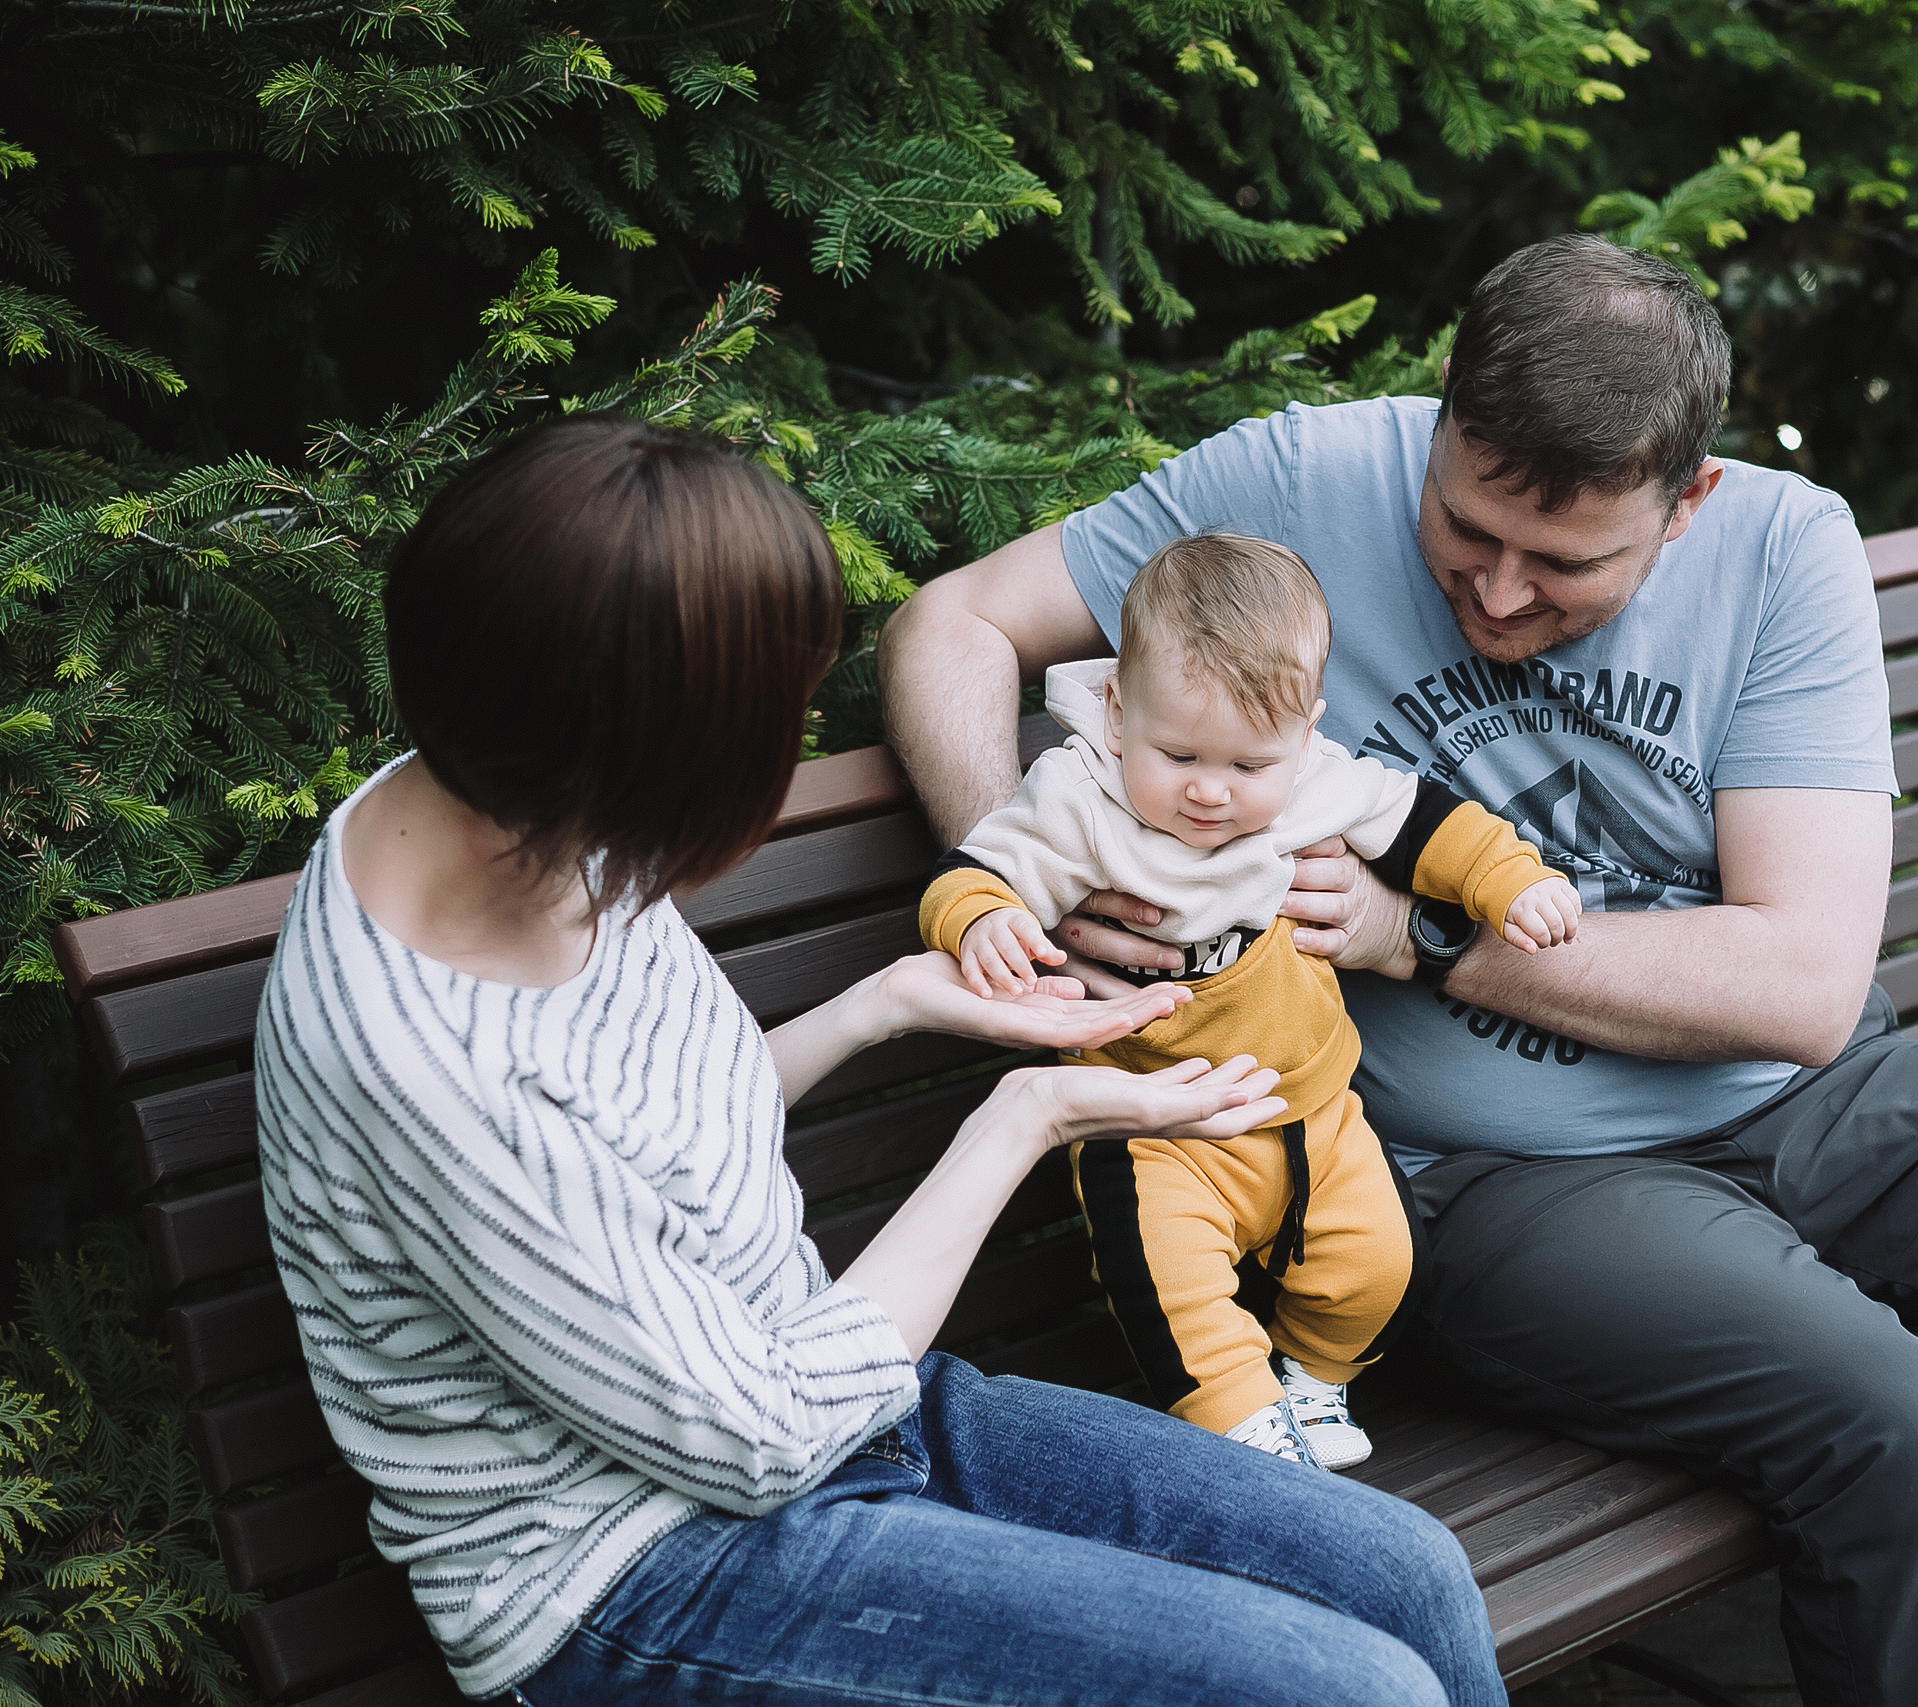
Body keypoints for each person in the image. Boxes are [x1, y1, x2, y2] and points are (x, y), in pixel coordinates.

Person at [878, 235, 1918, 1707]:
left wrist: (1423, 935)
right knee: (1898, 1422)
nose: (1504, 594)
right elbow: (956, 618)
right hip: (1491, 1175)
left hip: (1808, 1095)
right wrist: (1033, 880)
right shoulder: (1297, 479)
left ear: (1688, 501)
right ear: (1442, 424)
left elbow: (1797, 985)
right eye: (1467, 533)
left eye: (1566, 560)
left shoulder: (1784, 545)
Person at [252, 414, 1511, 1707]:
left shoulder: (518, 794)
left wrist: (883, 1002)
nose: (782, 757)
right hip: (642, 1575)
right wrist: (1020, 1117)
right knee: (1353, 1689)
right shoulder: (426, 1067)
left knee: (1409, 1574)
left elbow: (643, 1139)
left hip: (837, 1397)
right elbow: (755, 1438)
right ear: (647, 747)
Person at [922, 532, 1578, 1468]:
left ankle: (1314, 1378)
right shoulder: (1078, 799)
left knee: (1378, 1261)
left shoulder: (1312, 778)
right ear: (1116, 712)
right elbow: (978, 870)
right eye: (1178, 752)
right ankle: (1241, 1423)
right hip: (1152, 1124)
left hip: (1307, 1108)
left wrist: (1511, 880)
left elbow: (1427, 826)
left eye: (1245, 767)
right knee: (1173, 1290)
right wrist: (983, 918)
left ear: (1305, 733)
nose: (1209, 792)